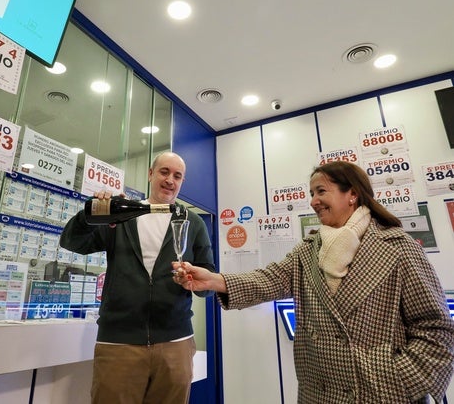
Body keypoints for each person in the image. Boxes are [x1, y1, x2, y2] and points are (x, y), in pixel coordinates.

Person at [173, 161, 454, 404]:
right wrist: (215, 280)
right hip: (319, 392)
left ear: (352, 194)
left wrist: (398, 377)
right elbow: (270, 279)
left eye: (321, 191)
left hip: (382, 391)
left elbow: (436, 327)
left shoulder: (398, 248)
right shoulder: (309, 248)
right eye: (311, 193)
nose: (313, 200)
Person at [60, 151, 215, 404]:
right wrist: (92, 215)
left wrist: (198, 282)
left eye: (178, 176)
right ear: (151, 174)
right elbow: (71, 242)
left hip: (176, 343)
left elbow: (206, 282)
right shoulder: (119, 216)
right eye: (164, 172)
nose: (170, 180)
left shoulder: (193, 222)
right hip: (118, 343)